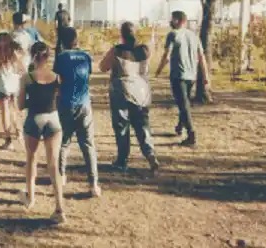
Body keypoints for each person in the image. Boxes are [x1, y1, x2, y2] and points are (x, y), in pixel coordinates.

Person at [98, 22, 159, 174]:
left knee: (122, 127)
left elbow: (103, 67)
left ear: (122, 34)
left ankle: (122, 160)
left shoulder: (117, 50)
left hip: (122, 92)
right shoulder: (145, 50)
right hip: (142, 93)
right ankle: (150, 155)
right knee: (142, 126)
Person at [18, 41, 66, 223]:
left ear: (32, 56)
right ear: (48, 57)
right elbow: (57, 98)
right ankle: (60, 208)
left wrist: (32, 100)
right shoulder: (56, 77)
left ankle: (30, 197)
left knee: (31, 159)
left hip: (35, 118)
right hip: (53, 119)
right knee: (53, 165)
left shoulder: (27, 77)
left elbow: (20, 105)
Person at [53, 26, 101, 197]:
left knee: (63, 142)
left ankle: (61, 176)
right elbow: (86, 76)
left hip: (66, 103)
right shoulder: (86, 56)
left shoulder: (61, 57)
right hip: (84, 103)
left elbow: (58, 80)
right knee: (88, 144)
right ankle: (93, 183)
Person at [155, 11, 210, 146]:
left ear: (179, 20)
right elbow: (201, 57)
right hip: (192, 75)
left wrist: (158, 70)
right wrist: (205, 75)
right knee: (184, 102)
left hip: (178, 75)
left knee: (183, 104)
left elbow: (167, 56)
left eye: (172, 19)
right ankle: (180, 127)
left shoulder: (173, 34)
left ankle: (191, 134)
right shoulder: (194, 36)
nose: (170, 21)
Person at [0, 32, 25, 150]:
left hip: (3, 86)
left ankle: (8, 140)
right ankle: (19, 133)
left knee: (5, 112)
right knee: (15, 111)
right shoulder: (14, 54)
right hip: (15, 85)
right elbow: (22, 69)